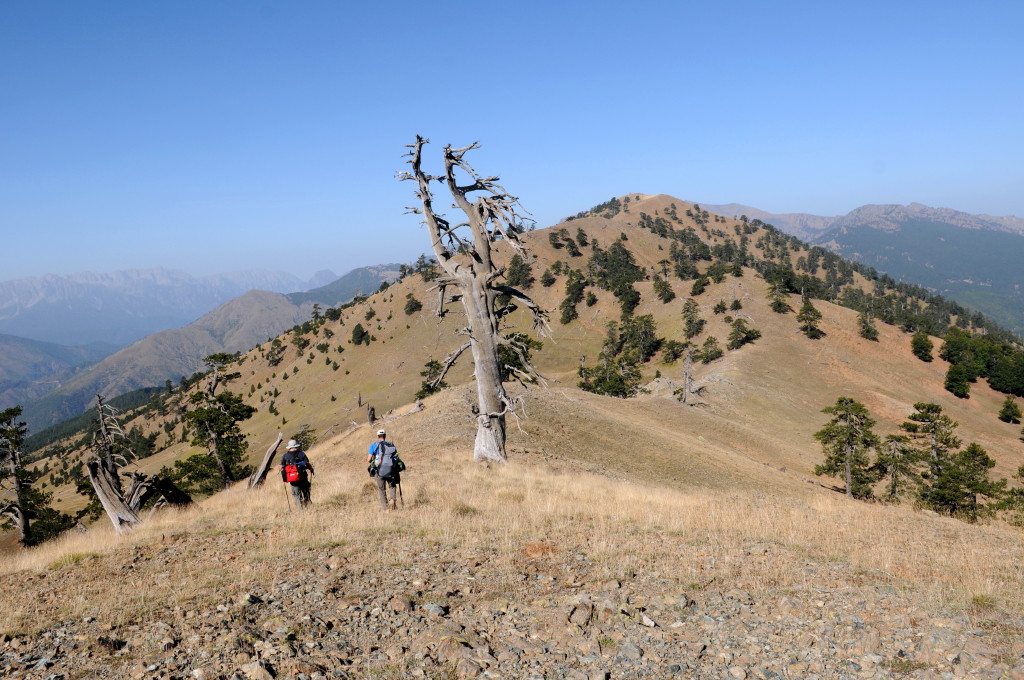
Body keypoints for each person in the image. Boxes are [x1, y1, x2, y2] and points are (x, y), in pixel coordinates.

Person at [368, 429, 400, 510]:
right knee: (392, 485)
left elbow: (368, 459)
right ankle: (392, 499)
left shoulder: (373, 445)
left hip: (379, 471)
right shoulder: (391, 445)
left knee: (381, 489)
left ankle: (386, 509)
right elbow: (396, 457)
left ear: (378, 436)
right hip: (390, 470)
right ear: (385, 436)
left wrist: (374, 462)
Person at [280, 439, 314, 508]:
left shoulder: (285, 456)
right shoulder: (301, 454)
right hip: (303, 476)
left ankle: (299, 509)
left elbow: (281, 466)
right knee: (305, 491)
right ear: (296, 446)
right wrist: (311, 469)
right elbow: (307, 463)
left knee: (296, 494)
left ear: (289, 447)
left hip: (292, 478)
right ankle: (308, 506)